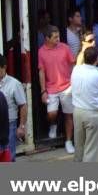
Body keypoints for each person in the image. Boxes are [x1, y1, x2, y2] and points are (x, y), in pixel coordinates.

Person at [71, 46, 98, 162]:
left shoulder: (76, 70)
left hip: (78, 112)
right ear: (97, 60)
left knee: (79, 146)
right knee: (91, 150)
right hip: (93, 114)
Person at [38, 25, 75, 154]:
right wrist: (43, 91)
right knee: (51, 113)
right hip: (51, 88)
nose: (58, 39)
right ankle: (53, 124)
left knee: (69, 115)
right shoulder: (41, 51)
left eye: (58, 36)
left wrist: (72, 82)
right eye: (55, 37)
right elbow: (41, 72)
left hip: (66, 86)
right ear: (47, 38)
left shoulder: (65, 48)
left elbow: (72, 64)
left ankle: (68, 141)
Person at [0, 54, 27, 161]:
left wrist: (22, 126)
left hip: (9, 126)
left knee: (9, 156)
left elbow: (23, 105)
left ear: (4, 67)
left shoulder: (14, 84)